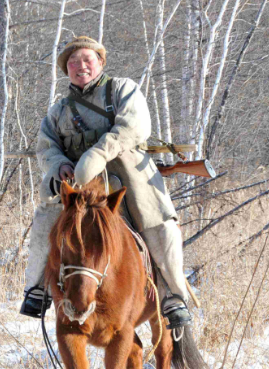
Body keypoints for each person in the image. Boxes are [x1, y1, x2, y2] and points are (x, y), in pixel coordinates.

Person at [20, 36, 193, 329]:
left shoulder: (122, 89)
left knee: (161, 230)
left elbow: (133, 126)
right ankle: (36, 290)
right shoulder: (59, 110)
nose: (80, 66)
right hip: (77, 185)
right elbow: (45, 147)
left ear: (100, 62)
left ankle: (173, 296)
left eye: (87, 59)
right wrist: (59, 165)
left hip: (127, 178)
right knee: (44, 226)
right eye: (73, 62)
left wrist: (98, 153)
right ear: (67, 71)